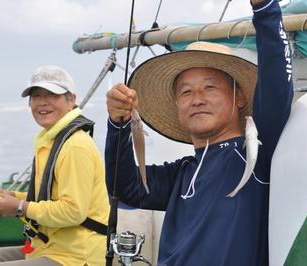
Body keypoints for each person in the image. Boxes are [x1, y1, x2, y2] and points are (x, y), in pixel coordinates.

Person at [105, 0, 293, 264]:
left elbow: (276, 82)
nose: (197, 99)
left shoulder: (256, 154)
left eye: (210, 87)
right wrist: (118, 124)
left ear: (239, 98)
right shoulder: (181, 174)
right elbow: (125, 188)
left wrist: (265, 9)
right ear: (177, 105)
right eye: (185, 91)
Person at [0, 65, 110, 265]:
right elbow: (52, 198)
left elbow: (72, 211)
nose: (42, 102)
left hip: (76, 257)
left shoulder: (75, 146)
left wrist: (20, 207)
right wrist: (16, 197)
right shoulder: (51, 142)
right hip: (47, 247)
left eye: (52, 94)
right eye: (36, 96)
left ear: (72, 100)